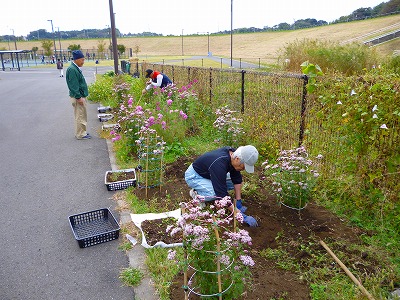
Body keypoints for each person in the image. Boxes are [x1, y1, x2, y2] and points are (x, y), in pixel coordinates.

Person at [185, 145, 259, 227]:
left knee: (233, 182)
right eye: (244, 167)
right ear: (237, 159)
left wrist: (238, 201)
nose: (243, 169)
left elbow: (237, 179)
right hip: (194, 176)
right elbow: (221, 195)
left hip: (209, 173)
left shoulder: (234, 155)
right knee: (215, 193)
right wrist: (241, 215)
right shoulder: (219, 163)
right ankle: (196, 193)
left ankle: (208, 186)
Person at [65, 50, 91, 140]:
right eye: (82, 60)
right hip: (78, 97)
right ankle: (80, 134)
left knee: (82, 115)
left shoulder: (75, 68)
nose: (83, 62)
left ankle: (82, 132)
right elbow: (73, 85)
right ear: (76, 59)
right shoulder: (72, 69)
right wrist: (79, 97)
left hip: (80, 96)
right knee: (80, 115)